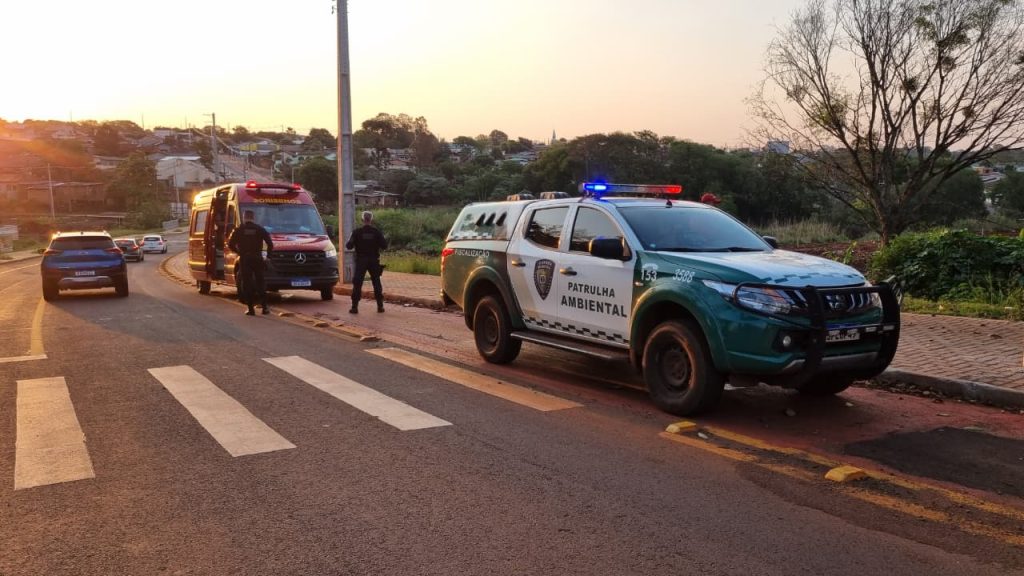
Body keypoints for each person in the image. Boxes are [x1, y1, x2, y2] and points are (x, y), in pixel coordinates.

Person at [228, 210, 274, 316]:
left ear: (244, 217)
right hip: (258, 258)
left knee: (247, 283)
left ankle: (250, 309)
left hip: (245, 259)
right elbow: (270, 244)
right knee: (260, 282)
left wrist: (239, 252)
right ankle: (265, 308)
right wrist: (268, 257)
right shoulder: (260, 229)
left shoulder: (239, 230)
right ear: (253, 218)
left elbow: (230, 244)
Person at [346, 210, 388, 314]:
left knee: (358, 283)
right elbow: (385, 246)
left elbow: (349, 246)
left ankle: (354, 307)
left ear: (362, 220)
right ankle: (380, 306)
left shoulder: (356, 232)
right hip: (374, 260)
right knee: (376, 282)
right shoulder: (377, 232)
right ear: (371, 220)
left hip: (361, 261)